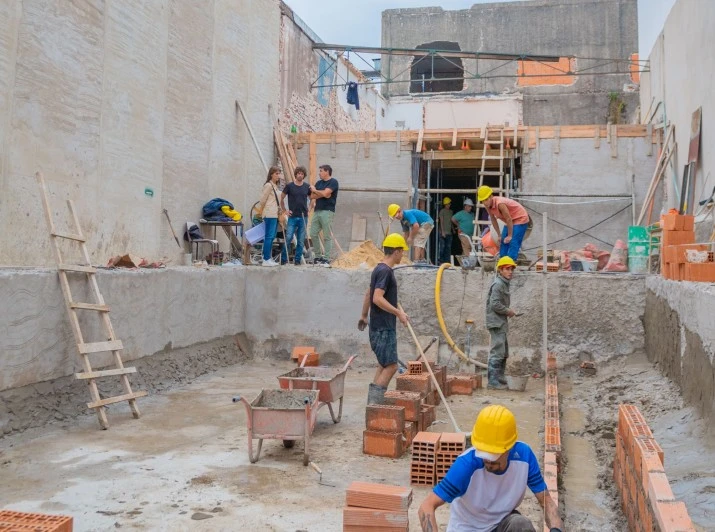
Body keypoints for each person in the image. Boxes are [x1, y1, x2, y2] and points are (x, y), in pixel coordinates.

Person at [418, 404, 563, 532]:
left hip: (500, 525)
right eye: (483, 452)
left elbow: (546, 501)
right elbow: (426, 506)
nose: (487, 460)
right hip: (468, 528)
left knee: (520, 525)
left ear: (509, 448)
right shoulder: (466, 464)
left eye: (493, 455)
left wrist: (556, 529)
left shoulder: (524, 457)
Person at [357, 233, 410, 405]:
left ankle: (372, 404)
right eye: (402, 251)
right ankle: (375, 406)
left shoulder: (378, 269)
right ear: (396, 251)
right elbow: (377, 298)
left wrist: (364, 316)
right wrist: (398, 313)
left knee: (383, 364)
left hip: (378, 326)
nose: (403, 255)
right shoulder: (386, 271)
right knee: (392, 366)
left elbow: (368, 292)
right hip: (383, 328)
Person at [486, 256, 517, 389]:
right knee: (498, 351)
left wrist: (506, 312)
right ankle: (493, 382)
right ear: (500, 270)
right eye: (507, 269)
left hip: (500, 321)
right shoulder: (498, 284)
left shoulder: (503, 283)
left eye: (511, 269)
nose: (510, 271)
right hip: (496, 322)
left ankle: (499, 377)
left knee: (503, 350)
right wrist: (508, 311)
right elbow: (495, 304)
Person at [478, 186, 532, 262]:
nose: (485, 202)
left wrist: (510, 235)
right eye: (483, 201)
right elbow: (493, 219)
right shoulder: (487, 206)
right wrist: (499, 235)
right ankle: (502, 262)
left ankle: (510, 264)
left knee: (513, 241)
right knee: (503, 241)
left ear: (491, 196)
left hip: (520, 217)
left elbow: (508, 218)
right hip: (510, 220)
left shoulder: (500, 204)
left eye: (486, 199)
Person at [280, 166, 311, 265]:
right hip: (292, 217)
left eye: (302, 174)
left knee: (301, 240)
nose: (300, 175)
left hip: (303, 216)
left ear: (304, 175)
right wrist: (285, 211)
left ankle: (297, 260)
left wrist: (309, 209)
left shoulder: (307, 186)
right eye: (298, 173)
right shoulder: (290, 186)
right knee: (288, 238)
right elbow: (281, 198)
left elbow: (312, 198)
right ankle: (284, 259)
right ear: (296, 174)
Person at [309, 164, 339, 264]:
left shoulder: (333, 182)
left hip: (328, 211)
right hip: (317, 211)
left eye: (321, 171)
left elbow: (326, 194)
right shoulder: (319, 183)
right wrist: (321, 193)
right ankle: (318, 256)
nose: (319, 173)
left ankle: (326, 258)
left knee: (327, 236)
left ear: (327, 171)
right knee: (313, 233)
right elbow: (312, 196)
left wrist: (316, 191)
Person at [257, 166, 283, 267]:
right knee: (269, 236)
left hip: (274, 213)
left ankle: (267, 257)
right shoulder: (268, 185)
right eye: (276, 173)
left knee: (271, 237)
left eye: (279, 173)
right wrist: (263, 211)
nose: (278, 175)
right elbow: (262, 200)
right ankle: (266, 259)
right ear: (271, 174)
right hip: (270, 213)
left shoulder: (275, 186)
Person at [437, 197, 454, 264]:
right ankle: (441, 261)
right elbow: (441, 221)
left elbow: (451, 221)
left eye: (449, 204)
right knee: (442, 247)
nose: (449, 205)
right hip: (443, 233)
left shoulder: (451, 212)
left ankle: (447, 261)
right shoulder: (442, 211)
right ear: (445, 204)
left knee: (448, 248)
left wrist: (453, 229)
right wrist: (443, 232)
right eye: (447, 204)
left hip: (449, 232)